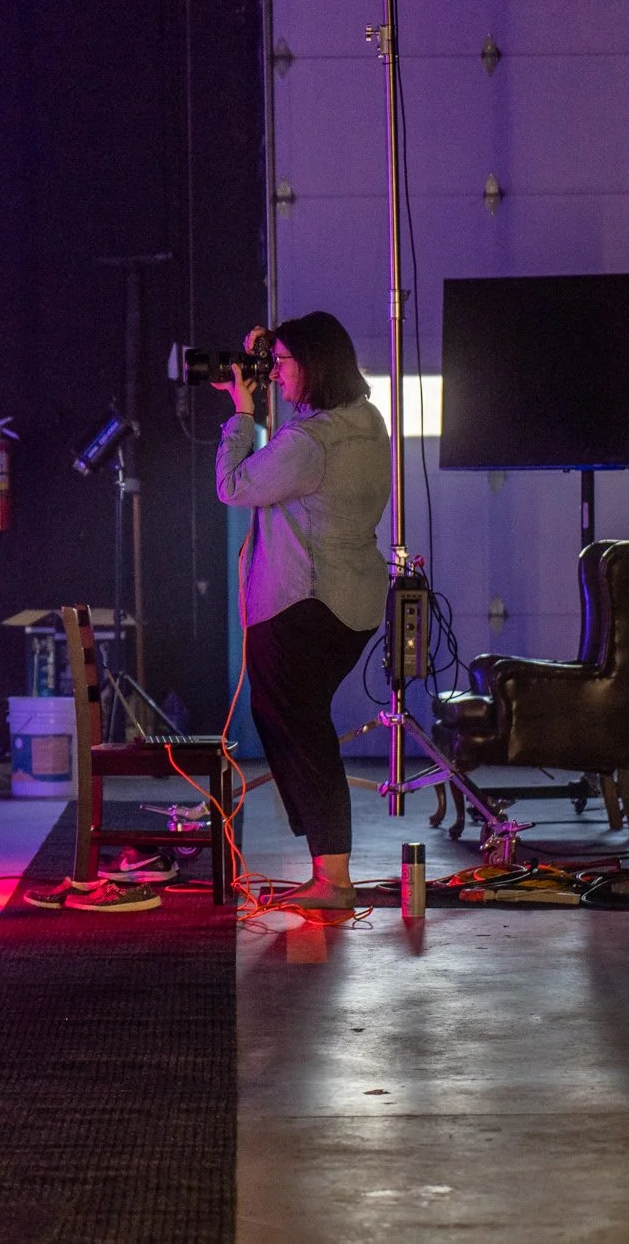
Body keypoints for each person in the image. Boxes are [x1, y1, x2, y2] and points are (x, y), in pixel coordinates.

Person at [213, 311, 390, 912]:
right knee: (293, 722)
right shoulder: (364, 421)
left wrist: (241, 413)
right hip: (353, 602)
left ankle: (333, 877)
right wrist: (263, 362)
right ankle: (326, 864)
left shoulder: (308, 442)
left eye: (283, 363)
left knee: (303, 732)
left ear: (313, 366)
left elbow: (235, 486)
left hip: (305, 602)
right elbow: (293, 449)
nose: (276, 373)